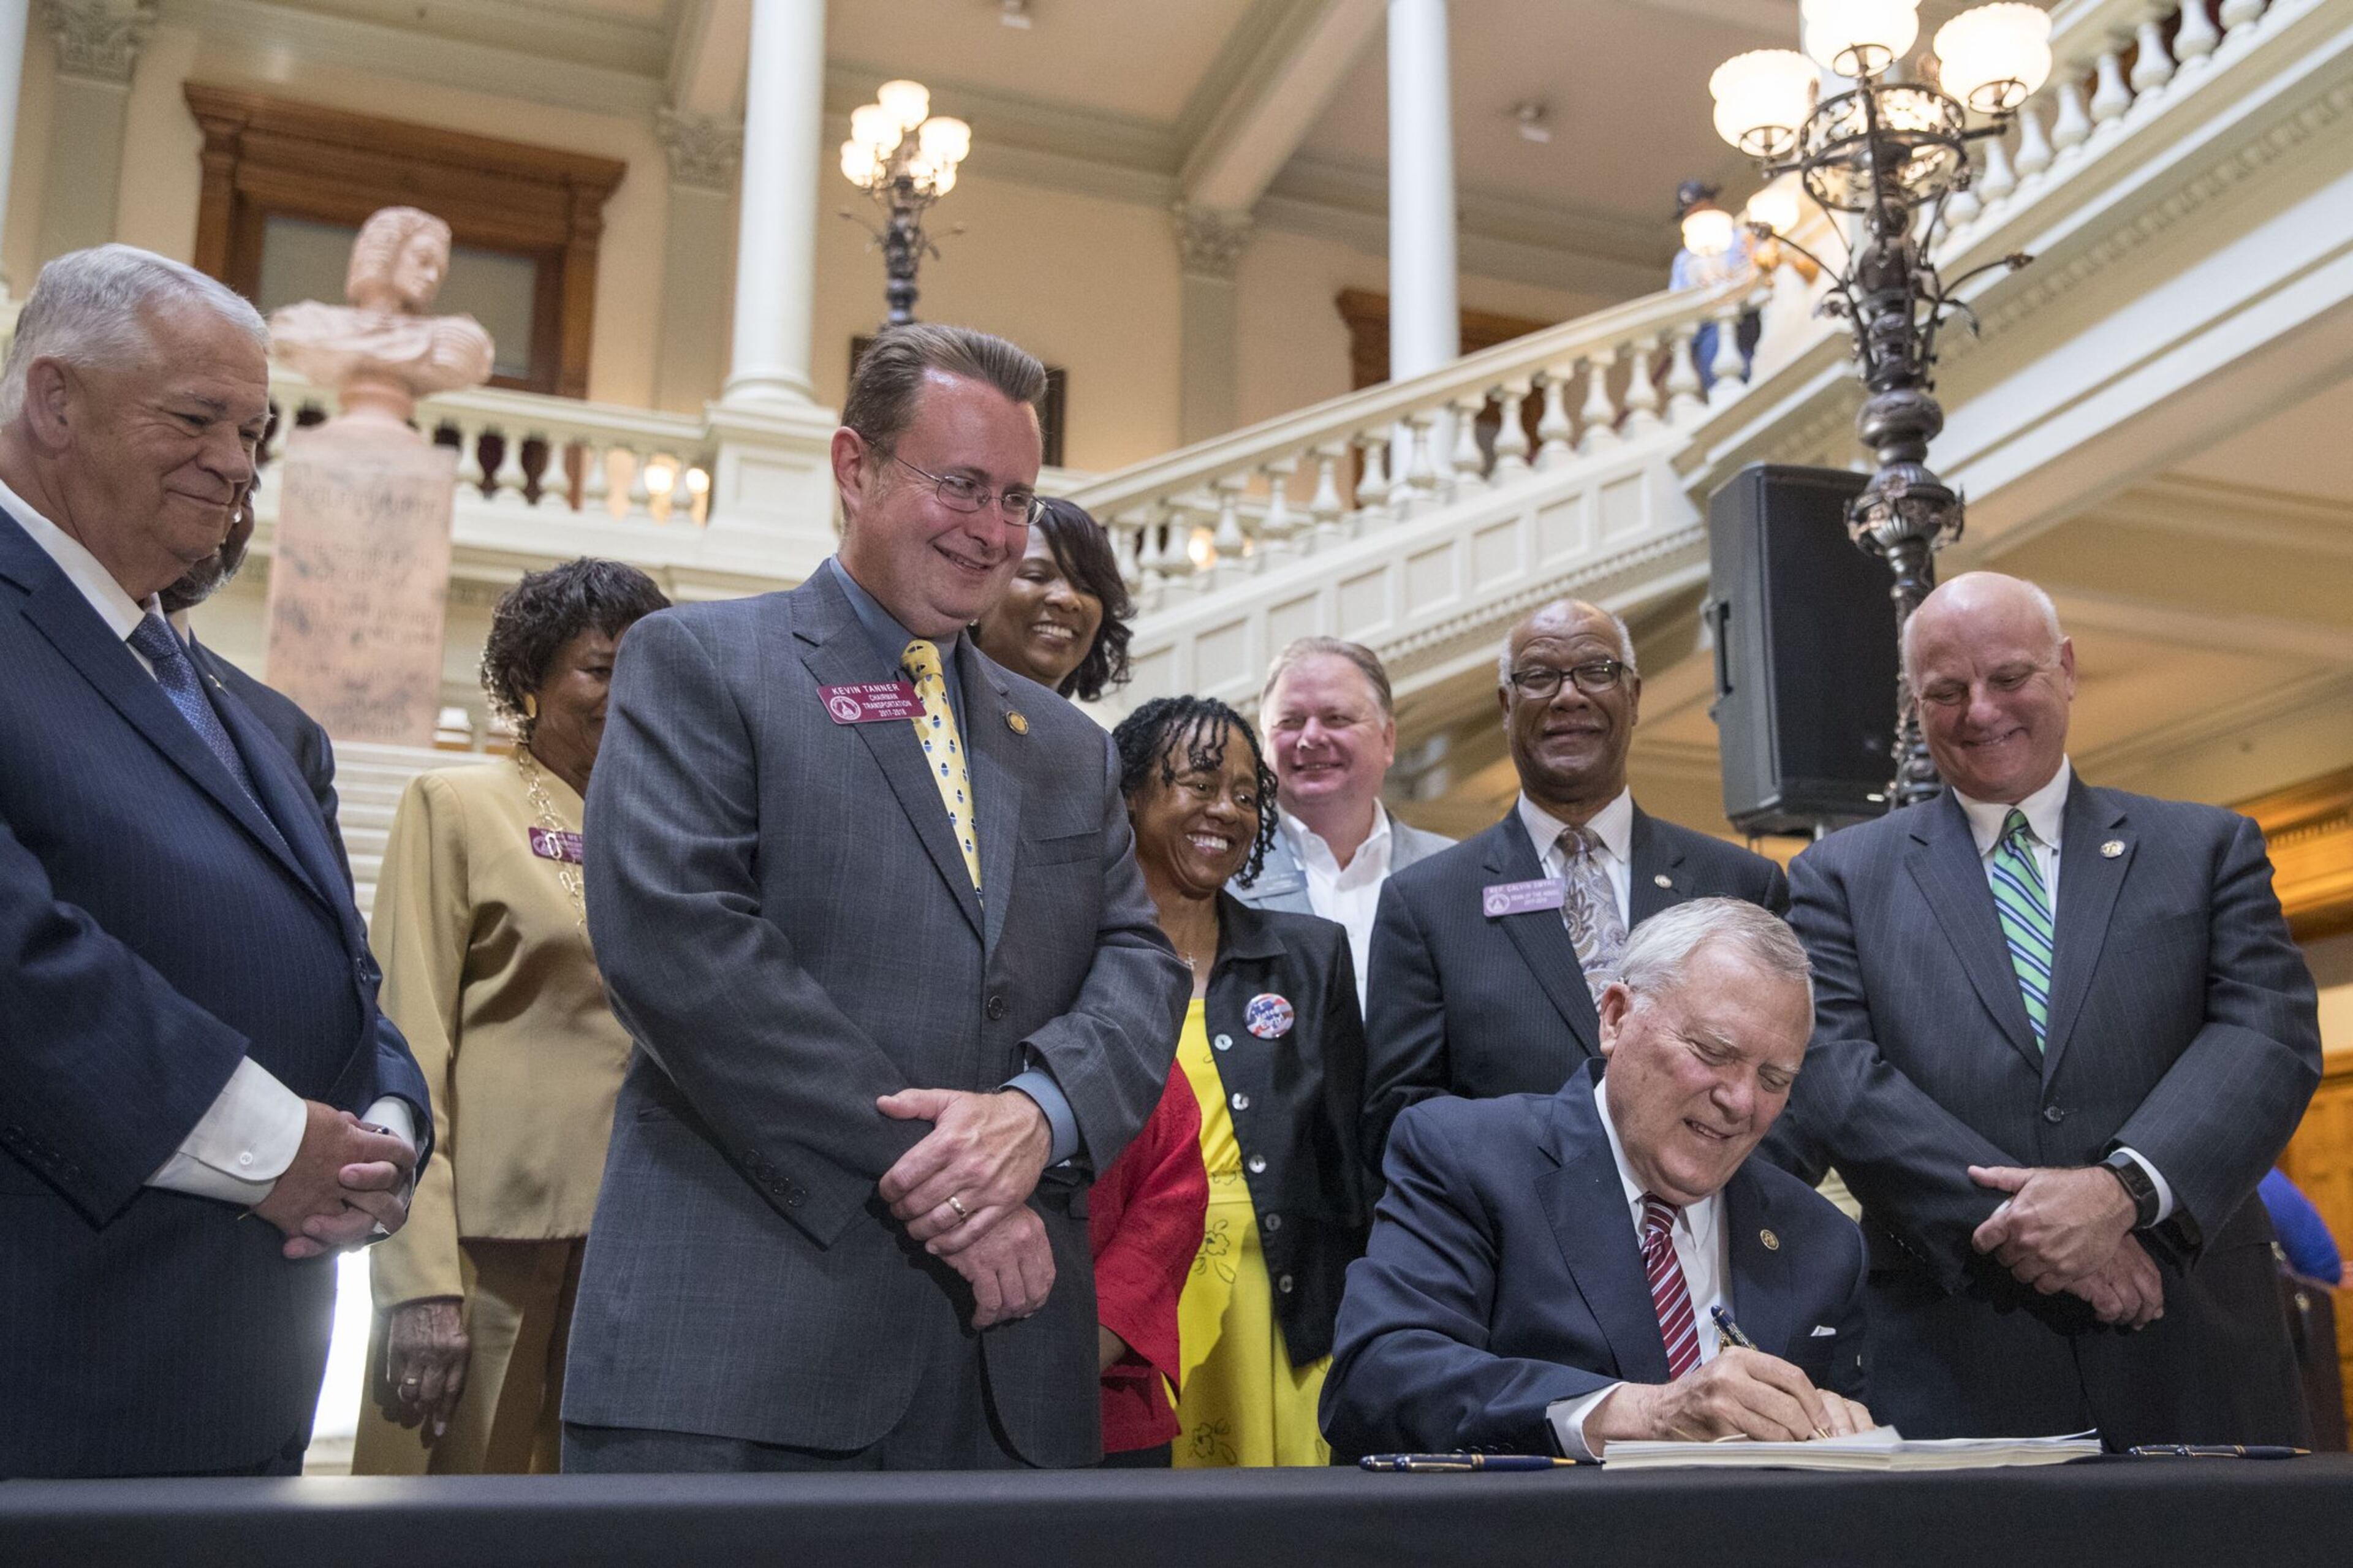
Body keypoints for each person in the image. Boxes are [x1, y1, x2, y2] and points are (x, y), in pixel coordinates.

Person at [561, 324, 1189, 1472]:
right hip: (753, 1347)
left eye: (1016, 496)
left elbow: (1139, 965)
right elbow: (683, 944)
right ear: (855, 467)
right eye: (959, 484)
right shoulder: (698, 663)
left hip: (1007, 1377)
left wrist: (1039, 1112)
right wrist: (954, 1178)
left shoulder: (1067, 744)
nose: (994, 529)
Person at [0, 244, 427, 1478]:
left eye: (255, 428)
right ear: (56, 400)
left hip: (240, 1372)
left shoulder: (243, 705)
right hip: (60, 1355)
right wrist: (273, 1146)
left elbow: (338, 963)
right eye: (197, 419)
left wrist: (383, 1130)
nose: (239, 462)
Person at [1760, 572, 2322, 1447]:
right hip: (1961, 1346)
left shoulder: (2207, 847)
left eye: (2009, 676)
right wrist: (2036, 1231)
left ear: (2066, 669)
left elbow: (2267, 1036)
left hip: (2190, 1328)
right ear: (1916, 705)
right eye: (1945, 691)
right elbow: (1835, 1071)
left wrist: (2121, 1193)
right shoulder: (1838, 878)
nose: (1980, 709)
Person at [1323, 899, 1872, 1460]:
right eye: (1713, 1052)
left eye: (1775, 1078)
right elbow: (1377, 1382)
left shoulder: (1823, 1241)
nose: (1741, 1101)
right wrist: (1646, 1414)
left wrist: (1840, 1434)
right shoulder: (1467, 1157)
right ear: (1615, 1017)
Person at [350, 559, 670, 1476]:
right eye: (600, 667)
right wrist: (418, 1280)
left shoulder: (672, 829)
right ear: (531, 678)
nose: (624, 693)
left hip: (633, 1248)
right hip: (486, 1249)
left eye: (644, 670)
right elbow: (404, 1043)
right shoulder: (457, 806)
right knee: (443, 1520)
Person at [1361, 597, 1789, 1163]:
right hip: (1511, 1239)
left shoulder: (1739, 885)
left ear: (1633, 696)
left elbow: (1791, 1082)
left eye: (1597, 671)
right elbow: (1403, 1116)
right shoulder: (1426, 904)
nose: (1569, 695)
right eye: (1539, 676)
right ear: (1506, 706)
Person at [1113, 695, 1373, 1467]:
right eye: (1198, 784)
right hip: (1130, 1313)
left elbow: (1348, 1164)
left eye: (1246, 794)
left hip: (1284, 1318)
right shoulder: (1074, 958)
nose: (1225, 810)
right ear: (1129, 795)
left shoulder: (1311, 955)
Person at [1229, 638, 1452, 1010]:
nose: (1311, 737)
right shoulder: (1222, 876)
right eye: (1291, 721)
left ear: (1387, 739)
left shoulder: (1451, 871)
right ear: (1265, 745)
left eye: (1337, 718)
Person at [160, 477, 351, 885]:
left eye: (243, 494)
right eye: (200, 486)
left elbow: (340, 931)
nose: (225, 510)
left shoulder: (292, 732)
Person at [969, 494, 1133, 716]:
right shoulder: (923, 711)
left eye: (1088, 588)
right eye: (1037, 576)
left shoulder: (1095, 745)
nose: (1067, 599)